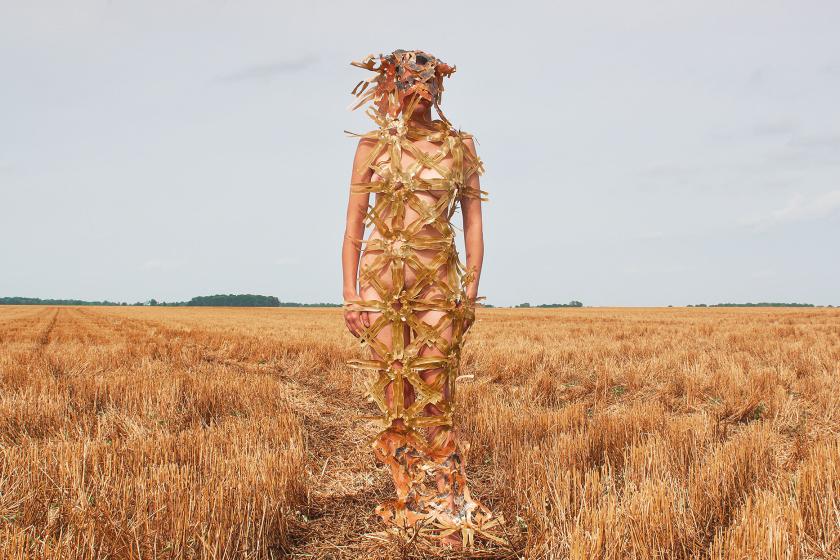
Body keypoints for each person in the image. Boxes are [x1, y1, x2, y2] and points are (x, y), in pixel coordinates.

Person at [341, 49, 505, 549]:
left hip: (438, 283)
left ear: (439, 89)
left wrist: (471, 288)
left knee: (435, 388)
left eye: (429, 83)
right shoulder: (372, 144)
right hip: (380, 282)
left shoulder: (461, 145)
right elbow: (352, 226)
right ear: (390, 86)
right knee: (397, 396)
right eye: (409, 83)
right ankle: (412, 497)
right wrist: (351, 295)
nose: (420, 92)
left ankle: (448, 501)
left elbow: (474, 222)